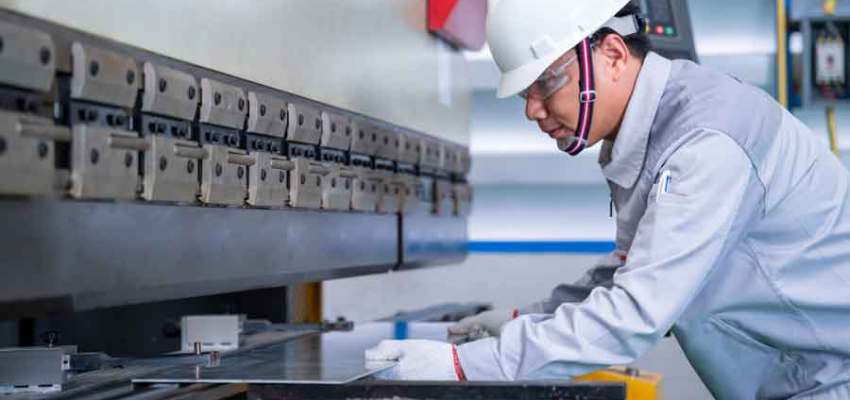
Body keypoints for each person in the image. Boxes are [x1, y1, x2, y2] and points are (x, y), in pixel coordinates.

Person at [365, 0, 850, 398]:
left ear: (614, 54)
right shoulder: (656, 128)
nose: (533, 109)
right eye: (523, 95)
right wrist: (524, 319)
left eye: (545, 83)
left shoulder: (705, 144)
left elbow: (636, 313)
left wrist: (462, 365)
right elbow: (634, 266)